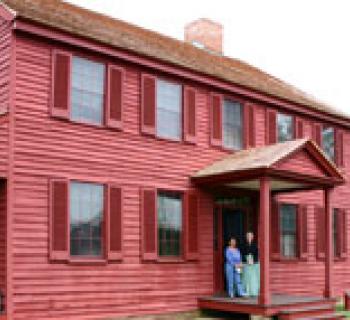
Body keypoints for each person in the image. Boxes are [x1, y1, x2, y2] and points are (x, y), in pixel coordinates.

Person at [241, 231, 260, 297]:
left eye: (250, 236)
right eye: (247, 236)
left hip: (253, 264)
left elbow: (257, 255)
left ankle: (253, 292)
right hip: (246, 263)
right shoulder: (243, 245)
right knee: (246, 278)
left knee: (253, 278)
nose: (249, 237)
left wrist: (253, 261)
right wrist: (246, 260)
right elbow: (242, 254)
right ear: (246, 237)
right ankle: (246, 291)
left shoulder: (255, 245)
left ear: (252, 237)